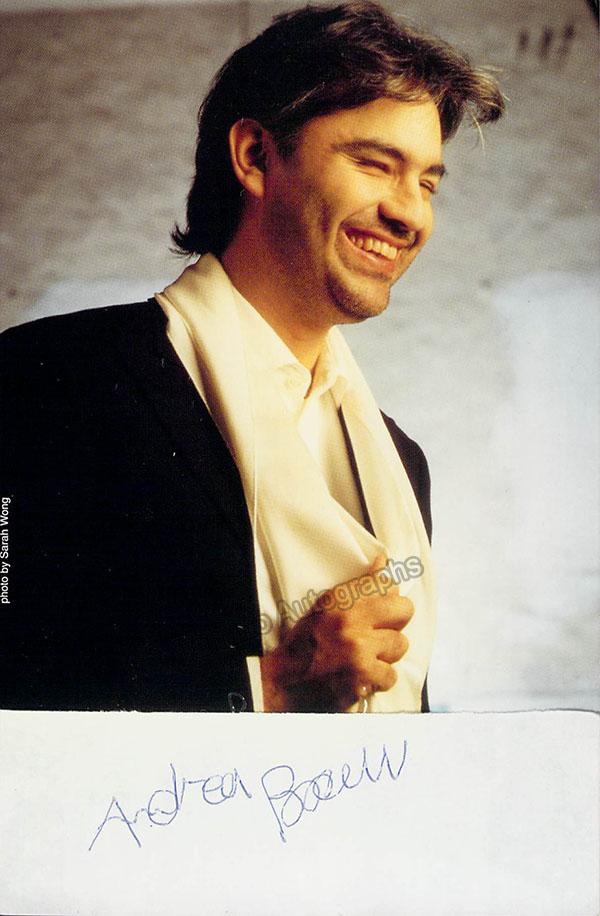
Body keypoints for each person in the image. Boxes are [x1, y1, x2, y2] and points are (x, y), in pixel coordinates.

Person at [0, 1, 504, 713]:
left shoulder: (401, 461)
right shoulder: (50, 381)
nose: (409, 213)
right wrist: (273, 685)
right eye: (374, 164)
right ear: (255, 157)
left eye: (426, 182)